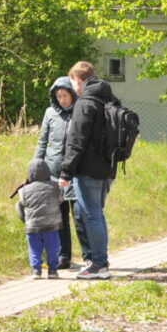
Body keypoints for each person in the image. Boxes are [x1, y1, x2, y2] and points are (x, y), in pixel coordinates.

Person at [59, 61, 117, 280]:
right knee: (96, 214)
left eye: (72, 82)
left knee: (91, 215)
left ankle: (99, 265)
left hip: (88, 169)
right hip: (107, 167)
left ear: (79, 80)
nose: (72, 87)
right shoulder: (108, 98)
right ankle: (100, 261)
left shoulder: (85, 103)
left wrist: (65, 172)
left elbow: (76, 141)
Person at [34, 76, 88, 271]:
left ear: (72, 94)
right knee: (59, 217)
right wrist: (36, 165)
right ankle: (63, 256)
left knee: (80, 216)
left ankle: (89, 257)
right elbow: (42, 141)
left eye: (64, 95)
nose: (62, 100)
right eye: (58, 96)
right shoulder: (50, 113)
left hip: (76, 172)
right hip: (54, 172)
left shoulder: (80, 112)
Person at [14, 158, 64, 279]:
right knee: (53, 248)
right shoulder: (56, 186)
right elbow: (60, 200)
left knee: (34, 249)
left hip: (32, 225)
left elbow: (21, 204)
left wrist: (25, 221)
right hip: (51, 225)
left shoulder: (23, 190)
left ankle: (36, 270)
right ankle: (53, 270)